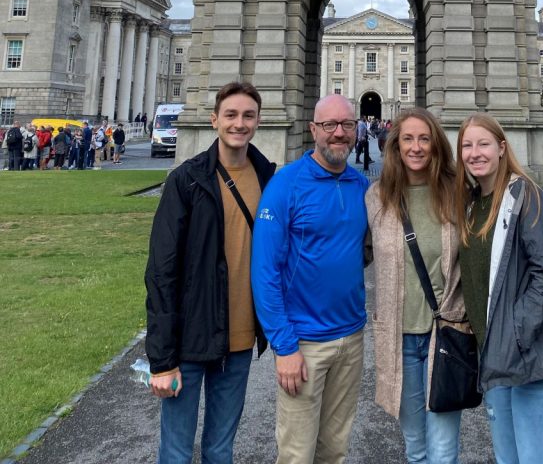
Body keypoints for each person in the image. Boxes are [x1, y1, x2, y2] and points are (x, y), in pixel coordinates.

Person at [145, 81, 275, 464]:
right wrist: (162, 358)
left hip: (238, 340)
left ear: (258, 121)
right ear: (214, 119)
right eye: (231, 115)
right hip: (190, 337)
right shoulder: (186, 179)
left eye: (248, 115)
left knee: (221, 449)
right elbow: (161, 271)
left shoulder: (269, 177)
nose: (239, 123)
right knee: (176, 451)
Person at [252, 94, 369, 464]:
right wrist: (284, 346)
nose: (339, 133)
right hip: (303, 343)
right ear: (313, 129)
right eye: (330, 126)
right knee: (296, 454)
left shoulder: (361, 186)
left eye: (347, 125)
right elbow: (264, 271)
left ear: (356, 130)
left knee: (334, 449)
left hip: (351, 338)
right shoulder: (285, 185)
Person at [457, 113, 543, 464]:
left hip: (531, 360)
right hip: (495, 360)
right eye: (466, 145)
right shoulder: (472, 204)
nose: (474, 153)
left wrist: (514, 336)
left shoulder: (528, 197)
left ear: (502, 148)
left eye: (483, 144)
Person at [366, 109, 466, 464]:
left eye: (424, 138)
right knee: (416, 447)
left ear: (436, 145)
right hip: (401, 337)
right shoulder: (376, 197)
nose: (416, 147)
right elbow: (353, 253)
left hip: (448, 337)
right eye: (408, 138)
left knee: (442, 449)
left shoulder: (458, 193)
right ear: (394, 146)